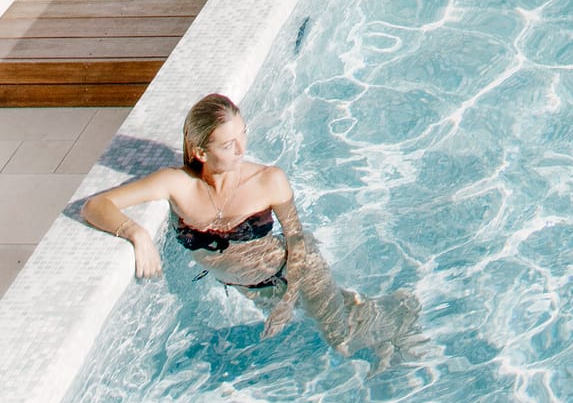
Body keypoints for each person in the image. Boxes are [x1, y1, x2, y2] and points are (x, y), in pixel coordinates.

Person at [82, 92, 419, 365]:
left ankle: (400, 314)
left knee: (340, 341)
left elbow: (297, 241)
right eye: (229, 145)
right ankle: (393, 322)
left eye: (243, 135)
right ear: (200, 152)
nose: (242, 149)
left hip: (293, 268)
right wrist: (137, 234)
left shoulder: (267, 181)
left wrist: (287, 300)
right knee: (342, 319)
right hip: (251, 284)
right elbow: (95, 206)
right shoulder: (178, 184)